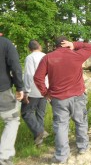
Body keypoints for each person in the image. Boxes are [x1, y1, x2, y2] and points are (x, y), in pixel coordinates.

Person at [34, 36, 91, 164]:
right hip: (78, 96)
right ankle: (83, 148)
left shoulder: (48, 58)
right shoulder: (76, 55)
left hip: (58, 99)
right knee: (81, 122)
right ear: (66, 44)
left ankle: (61, 156)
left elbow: (38, 78)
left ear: (55, 46)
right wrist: (74, 44)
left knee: (61, 126)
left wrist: (46, 93)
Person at [0, 35, 25, 165]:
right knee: (12, 119)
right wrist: (19, 87)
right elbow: (15, 66)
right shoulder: (5, 43)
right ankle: (4, 157)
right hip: (2, 90)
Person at [22, 40, 49, 146]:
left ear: (29, 48)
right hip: (45, 89)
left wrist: (26, 91)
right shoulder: (46, 56)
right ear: (40, 46)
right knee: (40, 115)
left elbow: (29, 75)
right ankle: (39, 143)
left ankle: (39, 132)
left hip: (34, 90)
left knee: (26, 112)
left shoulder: (30, 57)